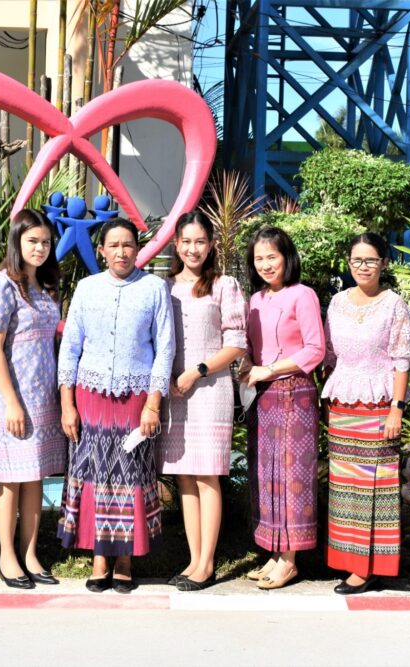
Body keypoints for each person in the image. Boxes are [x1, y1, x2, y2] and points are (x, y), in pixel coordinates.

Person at [57, 218, 175, 593]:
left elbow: (164, 349)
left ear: (137, 249)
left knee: (130, 473)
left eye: (128, 245)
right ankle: (99, 557)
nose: (121, 252)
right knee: (93, 473)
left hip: (136, 397)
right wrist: (67, 405)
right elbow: (69, 348)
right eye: (114, 245)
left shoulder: (154, 288)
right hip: (89, 396)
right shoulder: (87, 288)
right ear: (102, 251)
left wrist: (153, 404)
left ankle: (124, 559)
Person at [321, 232, 410, 594]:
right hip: (342, 404)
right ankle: (349, 560)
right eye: (357, 260)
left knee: (375, 486)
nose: (363, 267)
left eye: (371, 260)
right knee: (345, 487)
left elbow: (402, 360)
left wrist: (397, 410)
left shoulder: (394, 305)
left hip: (379, 405)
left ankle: (369, 567)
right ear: (349, 263)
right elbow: (329, 356)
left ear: (384, 263)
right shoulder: (336, 303)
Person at [158, 211, 247, 592]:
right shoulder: (163, 288)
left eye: (200, 241)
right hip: (173, 393)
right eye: (186, 241)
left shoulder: (225, 286)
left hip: (210, 389)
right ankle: (193, 560)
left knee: (207, 475)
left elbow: (237, 344)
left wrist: (197, 371)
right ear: (176, 244)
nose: (193, 249)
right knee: (184, 476)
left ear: (211, 245)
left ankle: (207, 564)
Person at [0, 209, 66, 589]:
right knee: (13, 478)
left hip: (44, 396)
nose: (40, 248)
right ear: (17, 241)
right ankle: (7, 555)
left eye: (45, 242)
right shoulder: (1, 284)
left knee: (35, 476)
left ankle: (30, 553)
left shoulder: (47, 287)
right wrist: (11, 401)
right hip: (14, 396)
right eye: (32, 241)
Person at [242, 227, 325, 590]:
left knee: (292, 476)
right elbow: (250, 347)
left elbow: (315, 349)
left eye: (272, 257)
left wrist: (271, 369)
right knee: (267, 475)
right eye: (259, 258)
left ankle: (290, 560)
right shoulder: (256, 299)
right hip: (263, 395)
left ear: (286, 257)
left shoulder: (302, 295)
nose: (265, 265)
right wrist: (248, 366)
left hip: (294, 393)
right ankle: (274, 553)